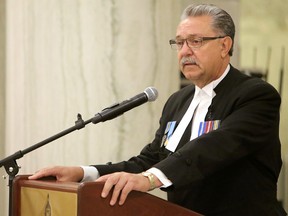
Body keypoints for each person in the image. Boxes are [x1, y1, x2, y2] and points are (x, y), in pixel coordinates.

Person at [29, 4, 287, 216]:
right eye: (179, 42)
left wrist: (150, 179)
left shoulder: (255, 96)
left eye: (196, 41)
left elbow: (212, 147)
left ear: (224, 45)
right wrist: (85, 173)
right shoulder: (178, 100)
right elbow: (150, 160)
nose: (185, 51)